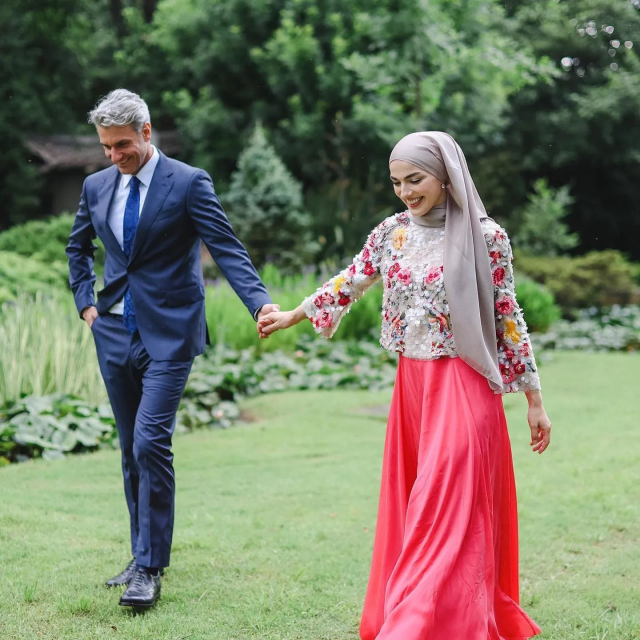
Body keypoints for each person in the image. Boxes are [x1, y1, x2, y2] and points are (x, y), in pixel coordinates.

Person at [257, 131, 551, 639]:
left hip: (464, 384)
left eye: (415, 180)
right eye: (396, 182)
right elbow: (352, 279)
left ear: (445, 176)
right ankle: (426, 614)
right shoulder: (392, 232)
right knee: (418, 504)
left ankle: (416, 625)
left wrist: (534, 401)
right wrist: (294, 315)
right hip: (413, 386)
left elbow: (508, 319)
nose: (405, 192)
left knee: (447, 504)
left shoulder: (486, 237)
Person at [66, 89, 278, 608]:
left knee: (149, 442)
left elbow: (225, 246)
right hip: (113, 331)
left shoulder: (187, 182)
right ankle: (140, 554)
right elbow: (78, 247)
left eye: (122, 145)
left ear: (146, 130)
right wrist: (86, 304)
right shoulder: (96, 185)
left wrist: (259, 305)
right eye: (106, 148)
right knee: (128, 449)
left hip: (170, 333)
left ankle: (151, 570)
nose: (114, 156)